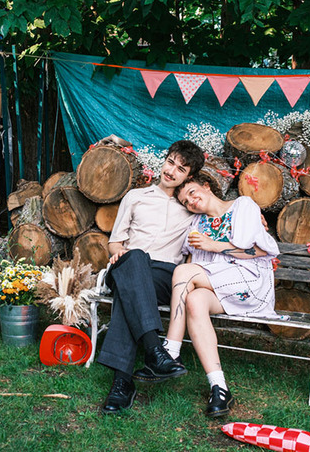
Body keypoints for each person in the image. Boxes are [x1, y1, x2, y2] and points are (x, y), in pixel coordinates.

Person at [98, 140, 205, 415]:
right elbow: (115, 242)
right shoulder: (136, 197)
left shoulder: (191, 207)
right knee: (136, 260)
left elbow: (223, 214)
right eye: (170, 162)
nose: (171, 171)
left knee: (129, 293)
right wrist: (120, 253)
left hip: (163, 277)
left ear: (189, 177)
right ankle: (155, 351)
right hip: (127, 265)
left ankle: (122, 382)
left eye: (180, 169)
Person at [161, 175, 280, 417]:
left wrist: (213, 245)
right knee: (194, 301)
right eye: (185, 202)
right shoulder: (196, 223)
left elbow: (259, 250)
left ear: (207, 187)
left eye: (193, 193)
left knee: (183, 272)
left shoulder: (243, 206)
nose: (191, 202)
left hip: (249, 282)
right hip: (218, 286)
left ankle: (170, 351)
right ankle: (220, 388)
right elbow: (192, 260)